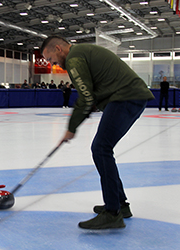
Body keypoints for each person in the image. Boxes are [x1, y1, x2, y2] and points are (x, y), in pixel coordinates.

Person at [41, 35, 154, 230]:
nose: (53, 65)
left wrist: (71, 128)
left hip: (125, 96)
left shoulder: (74, 59)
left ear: (59, 49)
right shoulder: (81, 53)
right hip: (127, 95)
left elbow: (86, 98)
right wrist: (78, 121)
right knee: (101, 148)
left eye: (51, 59)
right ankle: (120, 205)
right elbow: (91, 96)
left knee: (101, 148)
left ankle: (113, 213)